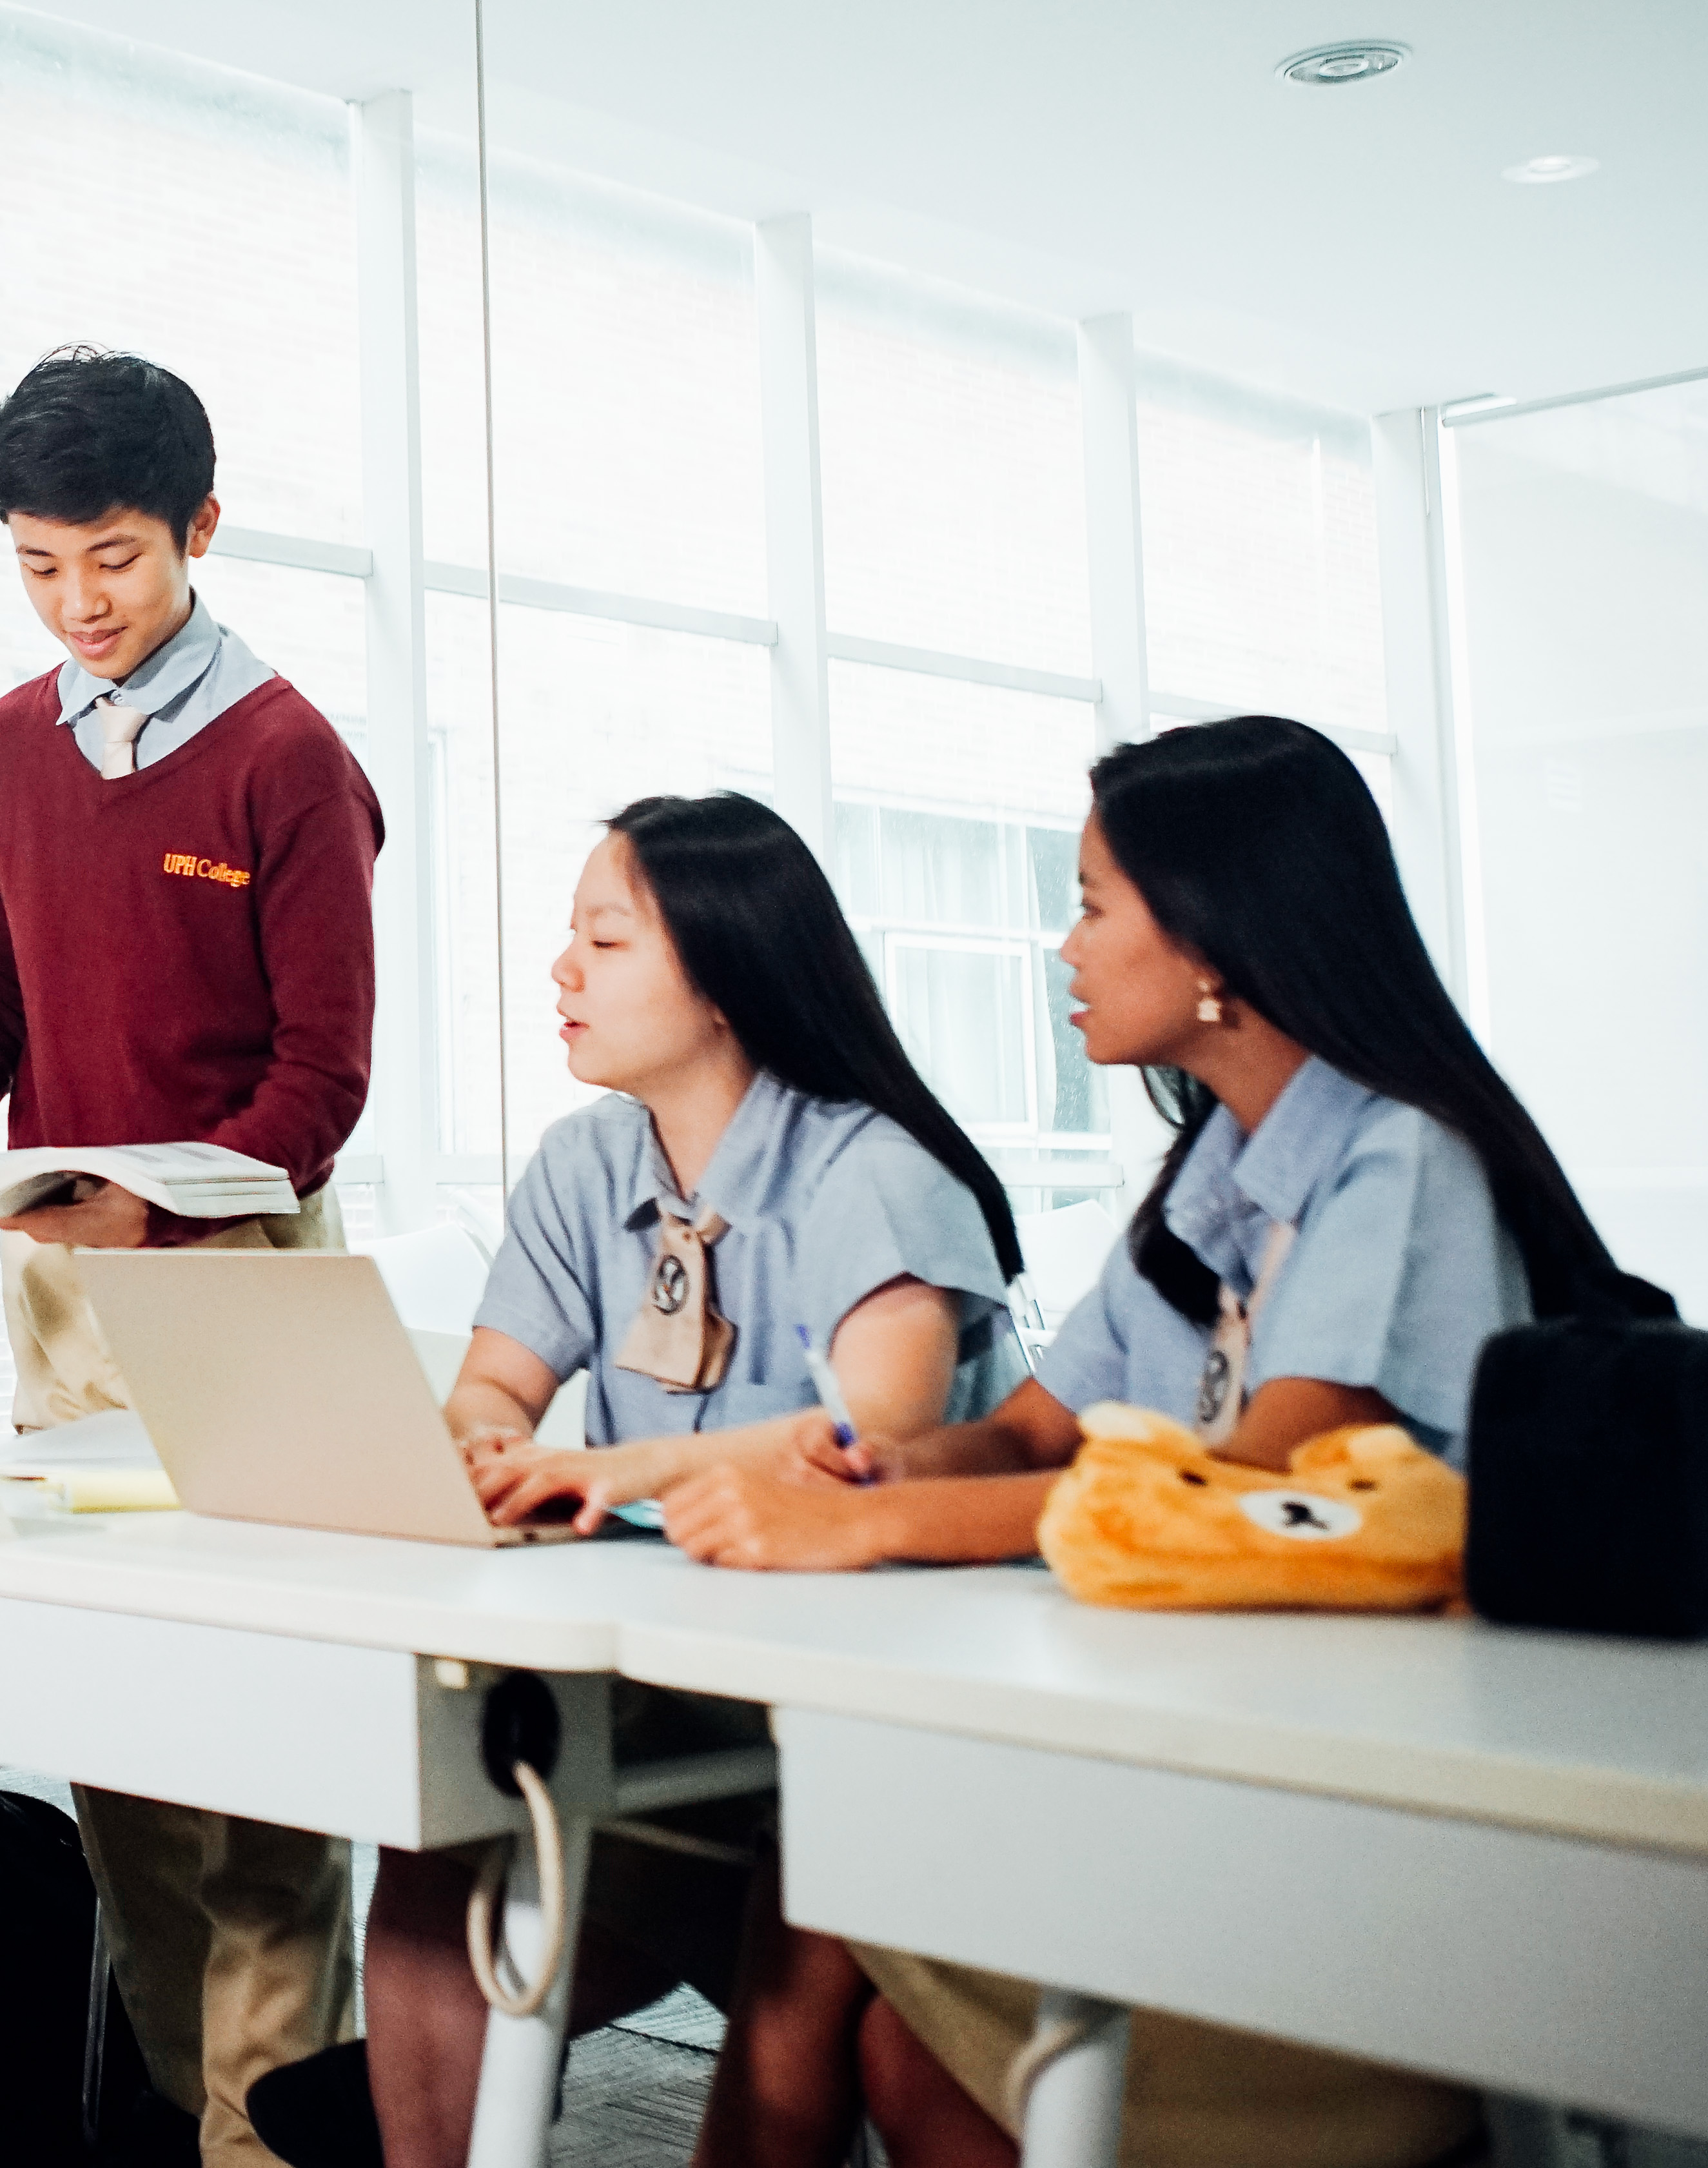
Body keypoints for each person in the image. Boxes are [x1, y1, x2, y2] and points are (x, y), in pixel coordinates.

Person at [663, 716, 1620, 2168]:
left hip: (1383, 1864)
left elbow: (1248, 1491)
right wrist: (886, 1469)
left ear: (1217, 940)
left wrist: (868, 1531)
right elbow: (1030, 1430)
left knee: (829, 1865)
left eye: (1094, 904)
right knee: (891, 2036)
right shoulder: (1216, 1170)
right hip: (1215, 1768)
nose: (1065, 949)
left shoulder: (1398, 1160)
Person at [244, 794, 1024, 2168]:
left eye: (602, 940)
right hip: (674, 1701)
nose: (560, 972)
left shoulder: (875, 1173)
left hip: (879, 1730)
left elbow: (869, 1443)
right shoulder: (584, 1164)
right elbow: (494, 1385)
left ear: (724, 973)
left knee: (782, 1933)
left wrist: (599, 1467)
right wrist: (482, 1442)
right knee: (435, 1851)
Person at [0, 346, 386, 2168]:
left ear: (201, 530)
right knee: (137, 1742)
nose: (81, 604)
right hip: (66, 1289)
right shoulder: (8, 740)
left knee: (276, 1754)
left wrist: (163, 1201)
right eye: (40, 567)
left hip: (245, 1279)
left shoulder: (293, 761)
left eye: (118, 560)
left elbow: (323, 1083)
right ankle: (181, 2111)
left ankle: (273, 2135)